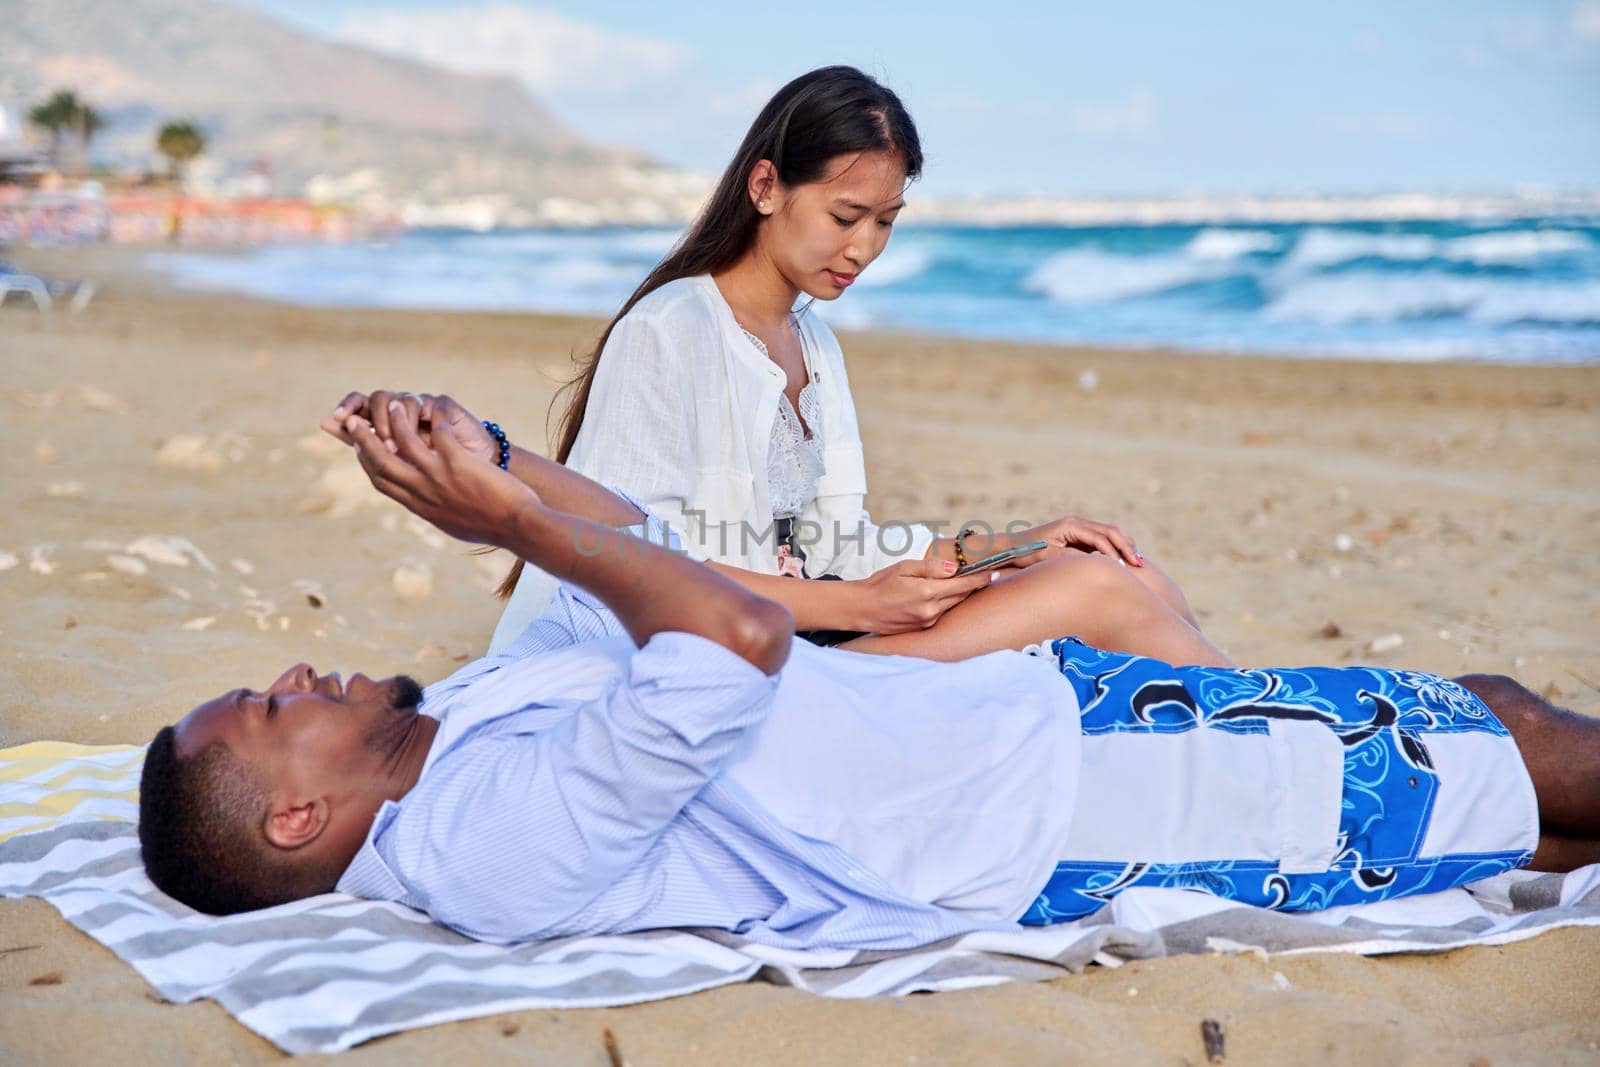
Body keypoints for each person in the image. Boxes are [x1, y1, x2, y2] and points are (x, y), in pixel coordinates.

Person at [135, 389, 1600, 949]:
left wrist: (498, 463)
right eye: (271, 709)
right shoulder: (482, 842)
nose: (299, 667)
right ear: (293, 821)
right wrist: (512, 526)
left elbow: (644, 549)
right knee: (1505, 740)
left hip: (1044, 723)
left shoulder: (469, 714)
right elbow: (732, 639)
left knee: (1508, 784)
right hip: (1060, 804)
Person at [492, 66, 1228, 668]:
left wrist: (1016, 544)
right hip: (693, 668)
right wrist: (863, 606)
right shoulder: (668, 330)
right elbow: (637, 564)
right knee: (1094, 592)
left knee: (1128, 575)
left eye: (886, 222)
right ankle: (1291, 739)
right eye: (845, 217)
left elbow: (842, 545)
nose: (865, 249)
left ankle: (1253, 744)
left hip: (800, 637)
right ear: (765, 187)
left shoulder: (814, 345)